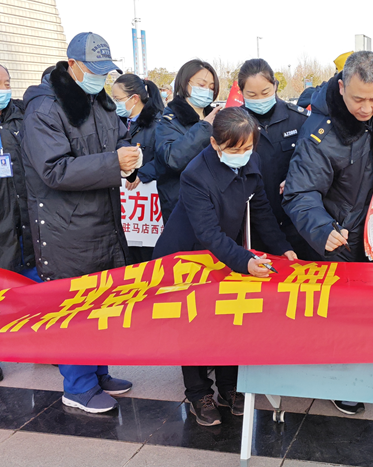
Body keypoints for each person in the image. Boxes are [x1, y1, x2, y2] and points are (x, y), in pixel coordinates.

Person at [283, 51, 373, 415]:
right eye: (358, 99)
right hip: (336, 229)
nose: (368, 108)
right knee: (340, 311)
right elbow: (299, 193)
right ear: (341, 88)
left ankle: (367, 366)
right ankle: (342, 382)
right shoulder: (319, 134)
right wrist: (322, 228)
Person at [153, 108, 296, 426]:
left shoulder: (251, 160)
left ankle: (230, 387)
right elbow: (207, 233)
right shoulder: (195, 174)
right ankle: (198, 392)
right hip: (187, 255)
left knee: (227, 317)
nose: (243, 155)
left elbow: (260, 209)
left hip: (225, 253)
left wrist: (282, 247)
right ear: (216, 144)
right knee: (192, 324)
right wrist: (245, 261)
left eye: (248, 149)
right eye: (235, 150)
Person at [22, 32, 136, 414]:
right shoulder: (45, 109)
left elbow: (120, 140)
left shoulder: (99, 102)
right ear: (72, 66)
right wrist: (112, 164)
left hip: (103, 222)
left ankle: (99, 372)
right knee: (72, 311)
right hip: (65, 228)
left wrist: (131, 158)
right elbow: (53, 170)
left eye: (106, 72)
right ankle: (78, 385)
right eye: (93, 70)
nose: (100, 79)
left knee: (100, 307)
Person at [0, 60, 37, 383]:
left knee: (34, 288)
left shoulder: (19, 116)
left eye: (6, 83)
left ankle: (45, 347)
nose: (2, 90)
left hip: (26, 215)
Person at [238, 58, 314, 259]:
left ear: (275, 86)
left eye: (265, 92)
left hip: (296, 222)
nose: (260, 99)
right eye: (251, 95)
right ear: (242, 93)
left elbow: (316, 165)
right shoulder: (235, 125)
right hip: (253, 224)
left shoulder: (299, 119)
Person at [155, 60, 221, 223]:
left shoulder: (217, 118)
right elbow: (172, 158)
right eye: (201, 84)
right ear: (185, 83)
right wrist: (204, 128)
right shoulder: (169, 121)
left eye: (212, 87)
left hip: (216, 205)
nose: (207, 90)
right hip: (182, 208)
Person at [111, 74, 165, 263]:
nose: (114, 104)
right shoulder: (116, 122)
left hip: (148, 207)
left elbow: (166, 158)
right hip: (125, 203)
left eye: (117, 99)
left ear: (134, 98)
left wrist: (142, 174)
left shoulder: (159, 124)